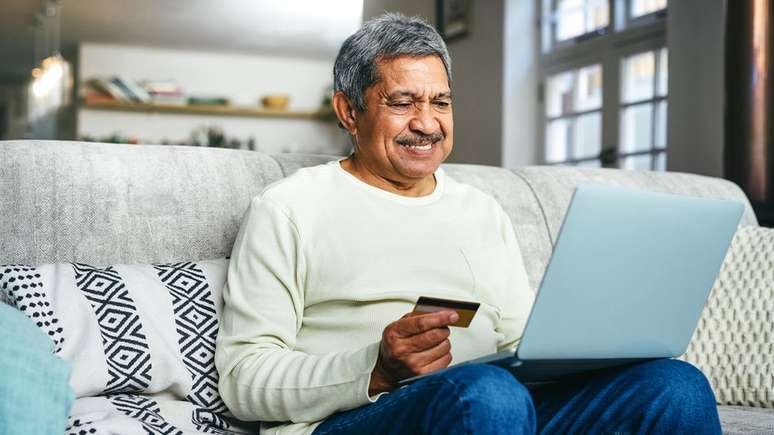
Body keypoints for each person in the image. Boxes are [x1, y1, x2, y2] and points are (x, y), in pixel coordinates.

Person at [215, 12, 722, 435]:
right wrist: (375, 368)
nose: (428, 123)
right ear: (349, 111)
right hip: (357, 417)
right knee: (487, 394)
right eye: (402, 102)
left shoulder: (481, 210)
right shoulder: (288, 209)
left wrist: (591, 343)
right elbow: (243, 380)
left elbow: (520, 345)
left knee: (675, 385)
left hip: (496, 406)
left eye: (440, 102)